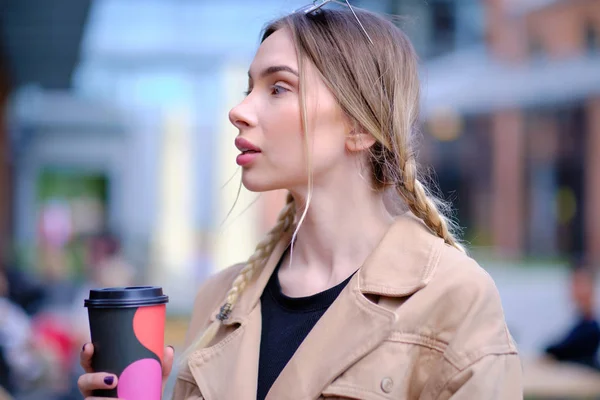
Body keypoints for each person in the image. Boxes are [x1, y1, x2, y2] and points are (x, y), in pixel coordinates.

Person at [77, 1, 522, 399]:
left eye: (278, 88)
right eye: (248, 88)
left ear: (359, 127)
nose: (240, 110)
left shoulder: (454, 298)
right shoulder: (221, 297)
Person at [544, 256, 600, 370]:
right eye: (573, 283)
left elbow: (558, 351)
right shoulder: (581, 325)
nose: (573, 289)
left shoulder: (591, 330)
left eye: (578, 283)